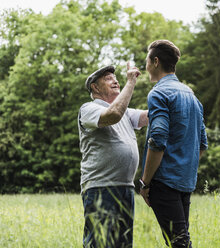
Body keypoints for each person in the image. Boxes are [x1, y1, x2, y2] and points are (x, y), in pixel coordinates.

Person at [139, 40, 208, 248]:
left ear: (156, 61)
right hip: (185, 182)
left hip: (164, 182)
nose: (145, 66)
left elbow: (158, 138)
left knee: (179, 243)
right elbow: (202, 144)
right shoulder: (192, 96)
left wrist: (145, 182)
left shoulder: (158, 93)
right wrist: (183, 167)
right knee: (180, 240)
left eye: (146, 61)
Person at [78, 62, 148, 248]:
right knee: (100, 243)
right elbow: (113, 114)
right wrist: (131, 82)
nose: (115, 81)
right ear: (95, 87)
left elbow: (149, 116)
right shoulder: (88, 109)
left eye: (116, 78)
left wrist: (169, 97)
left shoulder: (126, 112)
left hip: (125, 189)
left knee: (123, 245)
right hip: (101, 189)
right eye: (109, 79)